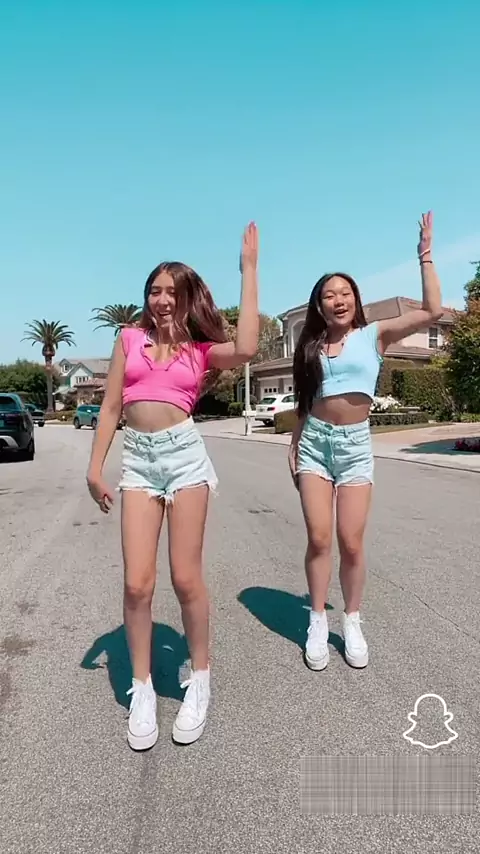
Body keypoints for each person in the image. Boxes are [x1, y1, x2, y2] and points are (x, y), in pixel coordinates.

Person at [86, 223, 259, 751]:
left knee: (186, 578)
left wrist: (249, 269)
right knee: (137, 584)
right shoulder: (128, 340)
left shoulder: (200, 348)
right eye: (154, 291)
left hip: (185, 459)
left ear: (186, 298)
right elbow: (111, 407)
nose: (161, 299)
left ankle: (199, 678)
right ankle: (142, 688)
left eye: (171, 291)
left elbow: (248, 347)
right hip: (138, 462)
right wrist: (95, 468)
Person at [289, 212, 441, 671]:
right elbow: (304, 401)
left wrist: (426, 256)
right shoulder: (311, 347)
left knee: (350, 542)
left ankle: (351, 620)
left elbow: (432, 312)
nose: (338, 300)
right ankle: (317, 620)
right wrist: (294, 445)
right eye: (328, 295)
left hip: (355, 445)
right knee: (319, 538)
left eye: (344, 293)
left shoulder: (375, 334)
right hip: (315, 444)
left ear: (355, 299)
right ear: (319, 306)